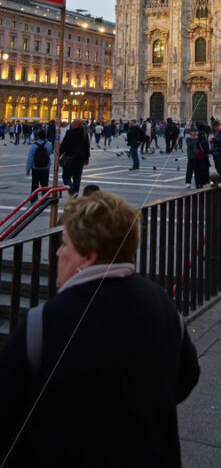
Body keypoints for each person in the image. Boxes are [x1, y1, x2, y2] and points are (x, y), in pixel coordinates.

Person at [0, 190, 200, 467]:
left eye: (65, 243)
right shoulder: (161, 302)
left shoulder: (44, 324)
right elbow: (187, 378)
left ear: (88, 257)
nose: (58, 252)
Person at [59, 119, 90, 197]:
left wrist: (58, 154)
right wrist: (87, 158)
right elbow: (87, 147)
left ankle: (72, 191)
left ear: (75, 125)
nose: (71, 124)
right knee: (77, 177)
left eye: (72, 123)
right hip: (81, 159)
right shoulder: (85, 133)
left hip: (70, 158)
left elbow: (64, 145)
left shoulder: (70, 133)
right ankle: (75, 192)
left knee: (65, 176)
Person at [25, 128, 53, 200]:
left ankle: (34, 198)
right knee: (45, 184)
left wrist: (28, 169)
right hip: (45, 167)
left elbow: (30, 158)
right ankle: (44, 198)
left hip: (35, 167)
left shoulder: (34, 145)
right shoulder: (49, 144)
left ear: (38, 136)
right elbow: (49, 153)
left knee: (34, 184)